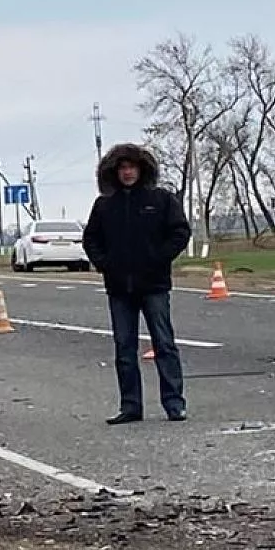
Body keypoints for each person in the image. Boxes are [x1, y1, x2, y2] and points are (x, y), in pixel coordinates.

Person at [83, 143, 191, 425]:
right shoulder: (105, 205)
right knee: (124, 348)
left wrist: (160, 257)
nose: (127, 172)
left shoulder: (160, 200)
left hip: (154, 284)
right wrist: (105, 263)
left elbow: (180, 231)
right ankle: (130, 405)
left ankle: (174, 403)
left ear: (141, 169)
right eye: (122, 168)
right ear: (114, 172)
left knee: (164, 344)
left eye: (132, 167)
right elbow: (91, 238)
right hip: (119, 288)